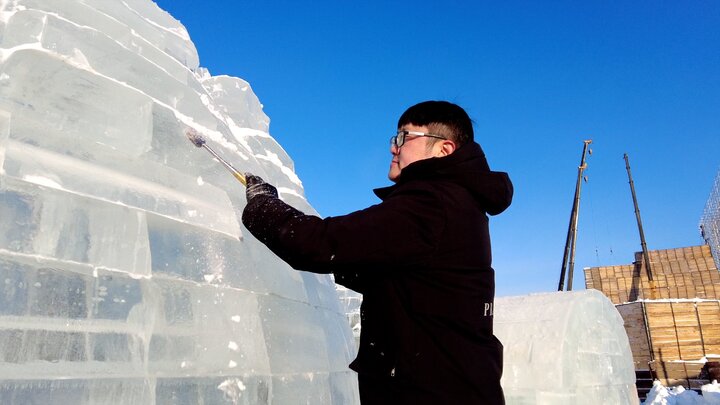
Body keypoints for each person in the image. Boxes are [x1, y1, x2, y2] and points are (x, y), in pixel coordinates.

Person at [241, 100, 513, 404]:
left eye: (404, 137)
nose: (393, 147)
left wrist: (263, 206)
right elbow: (406, 281)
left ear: (444, 149)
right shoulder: (457, 206)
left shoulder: (431, 202)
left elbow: (320, 243)